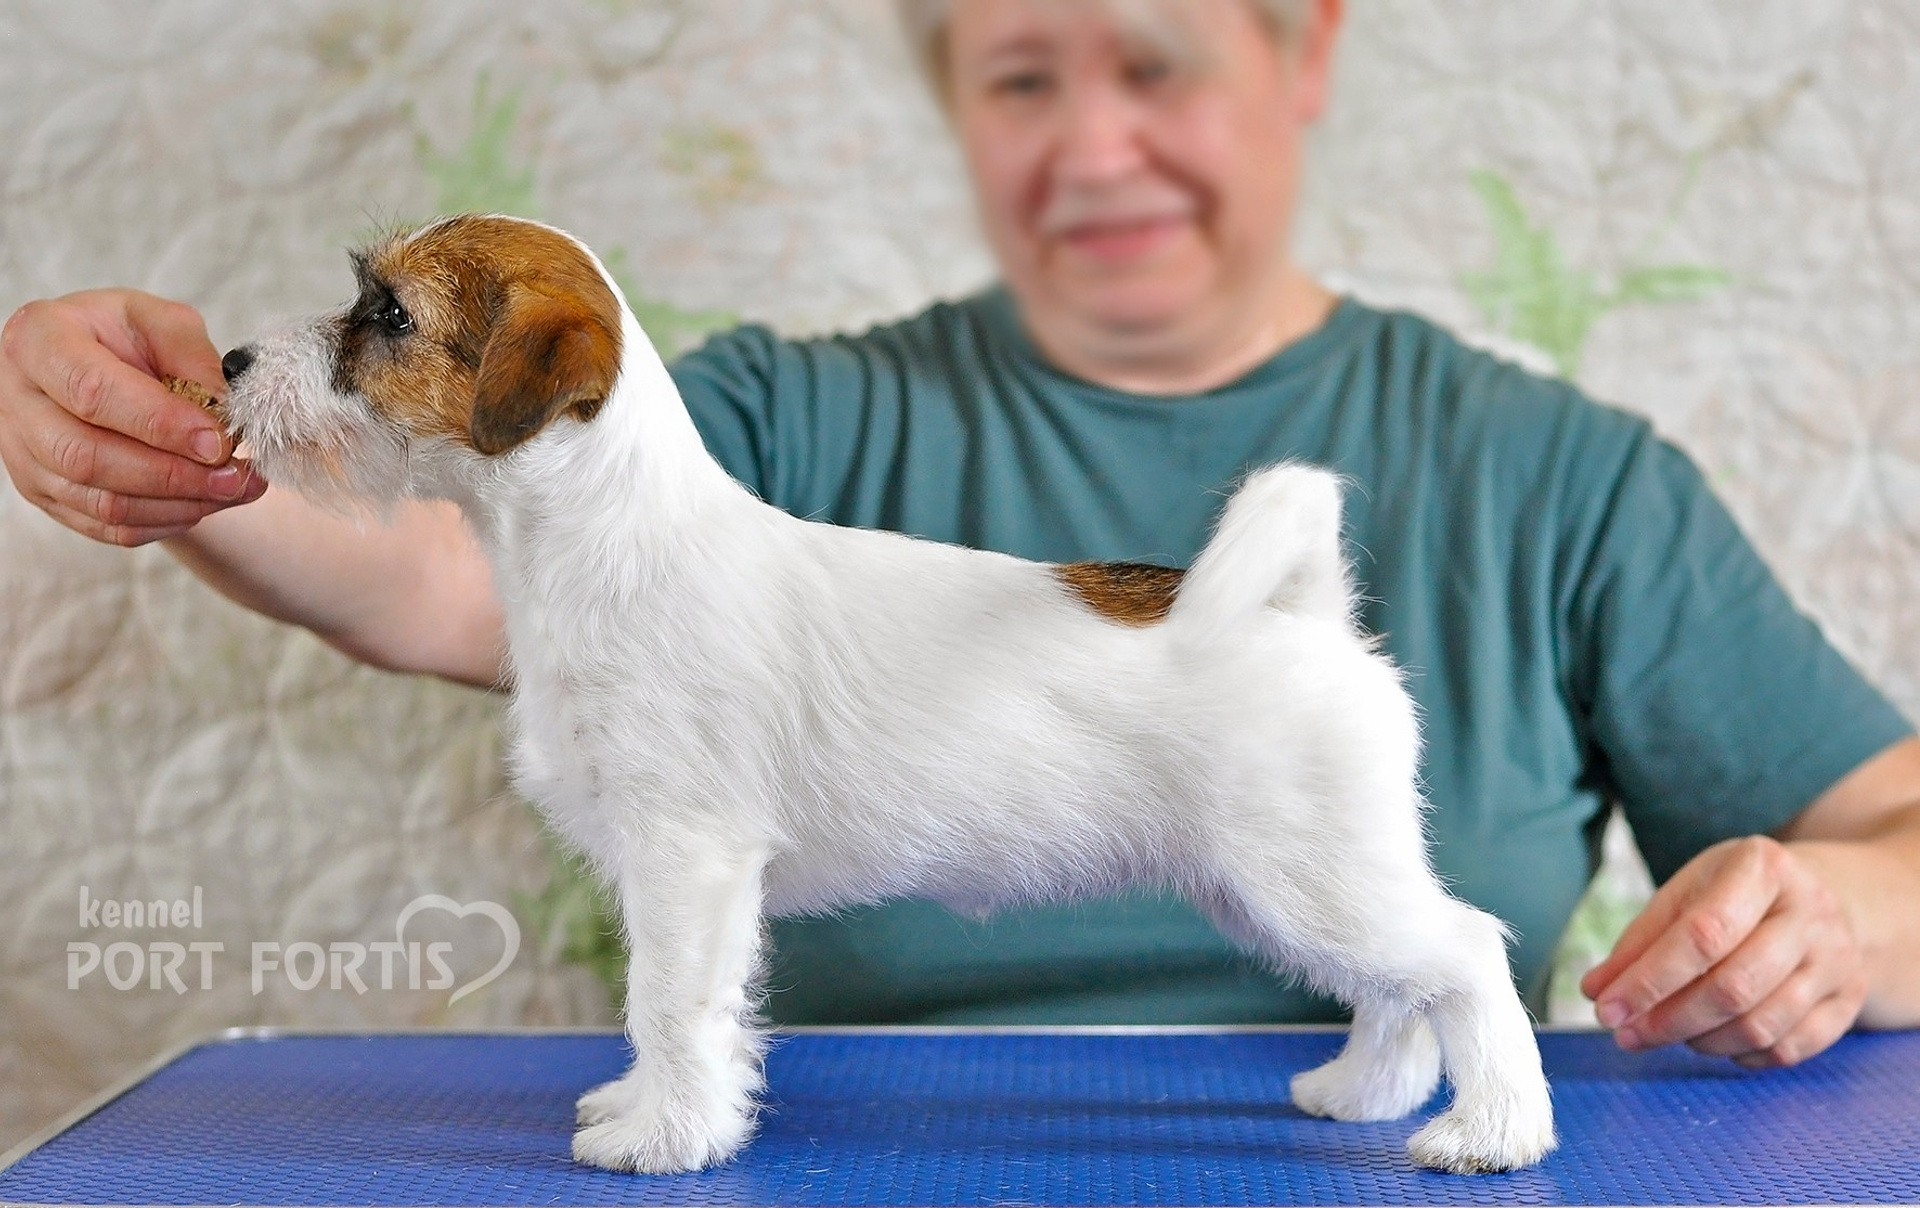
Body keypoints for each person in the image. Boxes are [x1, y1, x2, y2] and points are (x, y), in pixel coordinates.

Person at [3, 0, 1916, 1071]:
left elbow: (1895, 831)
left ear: (1304, 52)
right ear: (952, 102)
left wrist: (1838, 918)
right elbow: (442, 574)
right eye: (1021, 74)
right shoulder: (779, 421)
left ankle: (1451, 1049)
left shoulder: (1567, 475)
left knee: (1361, 911)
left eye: (1152, 59)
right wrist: (186, 461)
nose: (1089, 146)